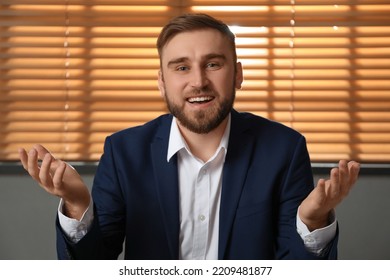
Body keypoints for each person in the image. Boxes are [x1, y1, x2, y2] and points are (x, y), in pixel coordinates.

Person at [19, 13, 360, 260]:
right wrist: (79, 204)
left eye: (213, 64)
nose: (198, 81)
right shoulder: (123, 152)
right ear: (161, 82)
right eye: (181, 67)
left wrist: (313, 222)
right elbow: (94, 265)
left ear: (237, 74)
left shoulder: (284, 150)